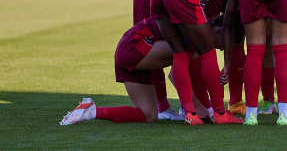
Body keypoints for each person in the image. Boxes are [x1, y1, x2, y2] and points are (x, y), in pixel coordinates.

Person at [151, 0, 243, 125]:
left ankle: (190, 114)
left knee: (180, 53)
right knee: (207, 53)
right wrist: (228, 63)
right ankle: (220, 113)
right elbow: (227, 25)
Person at [60, 18, 210, 125]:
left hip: (129, 53)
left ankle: (90, 111)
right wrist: (197, 105)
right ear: (216, 31)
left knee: (149, 115)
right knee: (189, 50)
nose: (222, 48)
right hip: (134, 47)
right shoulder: (194, 32)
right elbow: (175, 75)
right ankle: (193, 108)